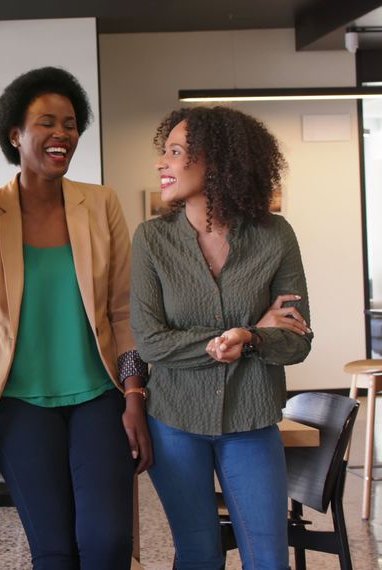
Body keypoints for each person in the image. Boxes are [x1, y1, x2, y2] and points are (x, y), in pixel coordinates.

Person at [0, 67, 150, 569]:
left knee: (108, 544)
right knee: (54, 552)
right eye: (46, 123)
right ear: (16, 134)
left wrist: (135, 394)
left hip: (99, 393)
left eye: (70, 124)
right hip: (18, 401)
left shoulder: (101, 203)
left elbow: (123, 309)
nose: (61, 134)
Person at [132, 105, 312, 569]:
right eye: (164, 152)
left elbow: (297, 339)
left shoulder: (275, 235)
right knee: (197, 555)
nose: (162, 163)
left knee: (269, 558)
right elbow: (151, 341)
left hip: (252, 421)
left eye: (175, 152)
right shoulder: (152, 239)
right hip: (174, 422)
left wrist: (249, 338)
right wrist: (238, 337)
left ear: (219, 162)